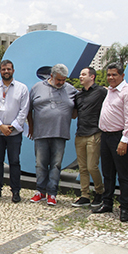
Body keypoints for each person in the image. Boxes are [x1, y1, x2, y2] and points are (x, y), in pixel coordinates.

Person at [92, 62, 128, 222]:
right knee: (108, 172)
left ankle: (125, 207)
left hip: (120, 137)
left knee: (123, 174)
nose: (111, 77)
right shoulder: (110, 91)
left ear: (122, 76)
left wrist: (124, 140)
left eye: (114, 75)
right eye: (109, 74)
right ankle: (107, 202)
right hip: (106, 136)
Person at [28, 64, 78, 206]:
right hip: (41, 133)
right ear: (51, 76)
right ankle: (40, 191)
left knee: (56, 165)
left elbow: (83, 101)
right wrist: (31, 126)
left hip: (60, 132)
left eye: (64, 80)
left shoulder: (71, 89)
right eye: (59, 80)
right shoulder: (37, 87)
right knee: (40, 164)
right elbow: (28, 109)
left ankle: (52, 193)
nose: (61, 83)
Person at [0, 60, 30, 202]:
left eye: (8, 69)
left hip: (14, 133)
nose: (6, 71)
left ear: (13, 71)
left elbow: (24, 110)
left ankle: (15, 191)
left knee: (14, 162)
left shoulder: (22, 88)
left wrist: (12, 126)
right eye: (3, 69)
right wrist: (0, 126)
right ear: (0, 71)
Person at [72, 67, 107, 208]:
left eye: (83, 74)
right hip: (80, 134)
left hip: (94, 133)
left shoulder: (101, 91)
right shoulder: (78, 95)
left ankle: (99, 192)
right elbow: (74, 113)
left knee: (92, 166)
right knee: (82, 168)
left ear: (92, 77)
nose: (81, 76)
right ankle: (85, 195)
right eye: (81, 74)